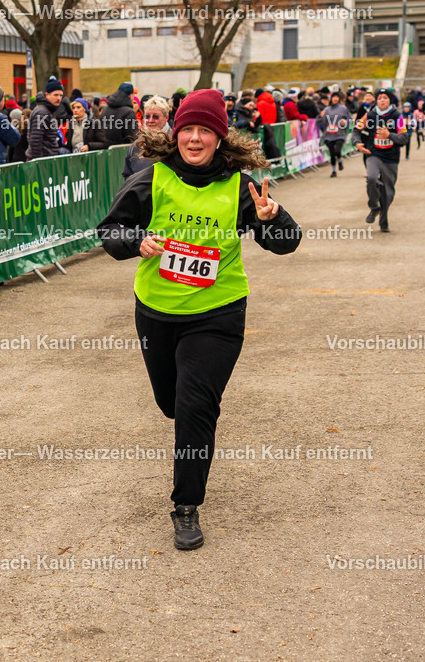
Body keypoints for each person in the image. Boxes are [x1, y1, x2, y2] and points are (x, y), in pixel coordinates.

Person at [97, 88, 301, 551]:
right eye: (187, 129)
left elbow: (287, 242)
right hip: (156, 311)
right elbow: (110, 232)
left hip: (218, 313)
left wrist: (272, 218)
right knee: (171, 403)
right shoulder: (151, 179)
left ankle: (186, 506)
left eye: (204, 131)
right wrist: (136, 241)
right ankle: (188, 416)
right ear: (175, 134)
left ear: (219, 137)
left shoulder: (241, 187)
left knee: (194, 408)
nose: (194, 138)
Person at [353, 89, 407, 233]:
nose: (382, 100)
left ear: (390, 100)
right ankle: (374, 207)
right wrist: (357, 143)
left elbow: (404, 138)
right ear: (376, 101)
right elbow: (356, 129)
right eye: (380, 98)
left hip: (391, 157)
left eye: (385, 98)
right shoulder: (370, 115)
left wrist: (389, 135)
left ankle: (384, 220)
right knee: (371, 178)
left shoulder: (397, 116)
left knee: (387, 193)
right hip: (374, 154)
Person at [123, 95, 170, 178]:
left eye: (155, 117)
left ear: (166, 117)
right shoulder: (136, 146)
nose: (150, 120)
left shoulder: (175, 143)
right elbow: (128, 175)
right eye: (147, 116)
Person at [27, 77, 67, 160]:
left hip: (47, 157)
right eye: (56, 95)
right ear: (47, 95)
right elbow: (35, 140)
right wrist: (39, 162)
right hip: (43, 160)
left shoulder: (49, 109)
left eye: (61, 95)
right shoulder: (42, 112)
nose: (59, 98)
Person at [321, 91, 351, 177]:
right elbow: (322, 122)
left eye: (337, 97)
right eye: (333, 97)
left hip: (339, 134)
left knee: (337, 150)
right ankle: (334, 170)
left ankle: (340, 160)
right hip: (329, 135)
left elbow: (349, 119)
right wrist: (320, 116)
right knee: (332, 153)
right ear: (331, 98)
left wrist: (345, 122)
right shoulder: (326, 109)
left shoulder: (343, 109)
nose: (335, 98)